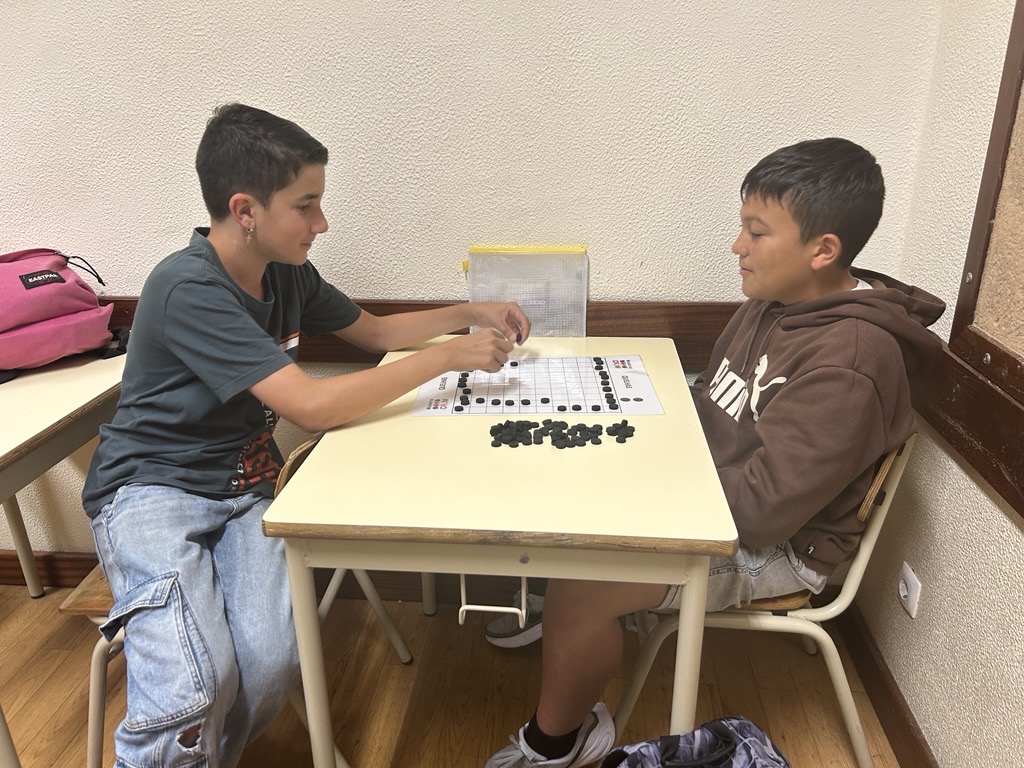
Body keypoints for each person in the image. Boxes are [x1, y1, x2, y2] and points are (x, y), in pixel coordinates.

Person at [81, 103, 530, 768]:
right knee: (194, 682)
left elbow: (374, 332)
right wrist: (447, 357)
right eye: (306, 205)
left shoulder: (286, 272)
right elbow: (313, 407)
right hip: (151, 490)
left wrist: (470, 312)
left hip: (245, 489)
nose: (322, 224)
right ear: (245, 209)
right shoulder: (187, 287)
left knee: (269, 665)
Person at [483, 136, 944, 768]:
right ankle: (563, 616)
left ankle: (557, 740)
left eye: (756, 232)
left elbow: (762, 513)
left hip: (778, 547)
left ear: (823, 250)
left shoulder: (852, 361)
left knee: (586, 582)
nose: (737, 246)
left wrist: (654, 477)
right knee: (575, 475)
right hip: (712, 493)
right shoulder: (773, 303)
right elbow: (709, 404)